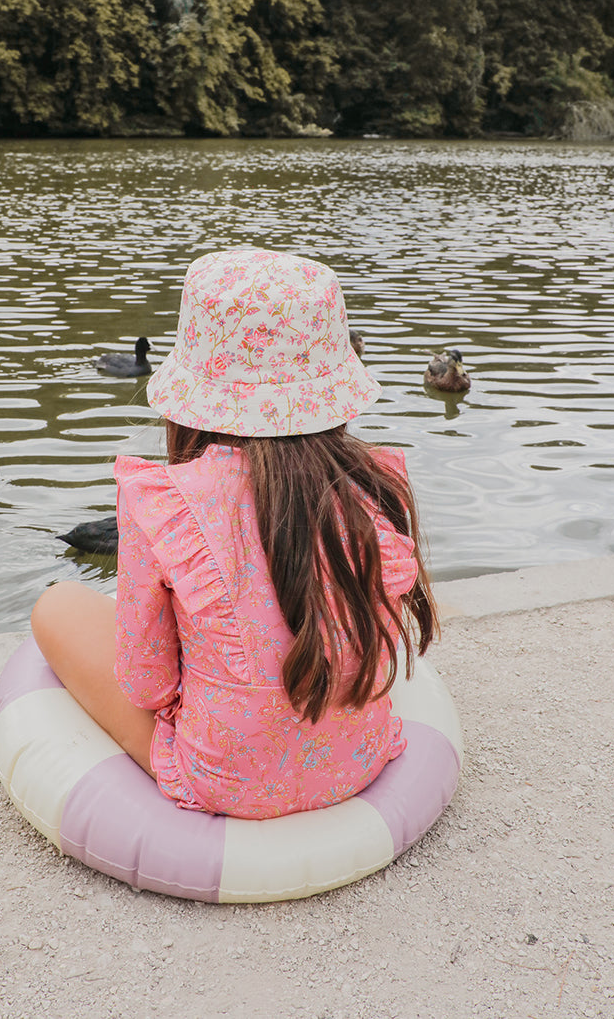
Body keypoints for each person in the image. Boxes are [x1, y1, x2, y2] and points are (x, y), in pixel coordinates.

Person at [32, 249, 437, 820]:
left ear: (191, 397)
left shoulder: (167, 503)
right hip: (358, 761)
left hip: (227, 781)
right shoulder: (376, 487)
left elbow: (146, 684)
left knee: (57, 605)